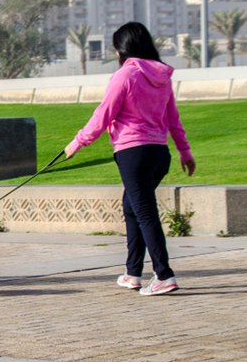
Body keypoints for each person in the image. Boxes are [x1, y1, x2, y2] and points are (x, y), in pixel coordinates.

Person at [64, 22, 196, 296]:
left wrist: (77, 143)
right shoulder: (163, 77)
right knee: (132, 207)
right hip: (159, 154)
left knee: (145, 212)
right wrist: (184, 152)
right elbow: (173, 118)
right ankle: (133, 272)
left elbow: (104, 114)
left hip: (133, 153)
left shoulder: (124, 76)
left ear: (122, 49)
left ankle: (164, 275)